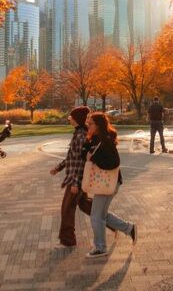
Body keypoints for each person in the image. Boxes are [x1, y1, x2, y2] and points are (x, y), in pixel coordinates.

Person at [83, 112, 137, 258]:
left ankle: (100, 248)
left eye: (91, 123)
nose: (88, 125)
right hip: (102, 183)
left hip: (109, 183)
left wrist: (94, 158)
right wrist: (87, 145)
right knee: (100, 214)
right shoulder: (94, 139)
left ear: (99, 125)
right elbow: (85, 156)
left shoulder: (105, 141)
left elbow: (114, 163)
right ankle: (129, 228)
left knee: (96, 215)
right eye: (88, 123)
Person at [49, 106, 96, 247]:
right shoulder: (79, 133)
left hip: (76, 180)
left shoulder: (81, 135)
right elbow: (72, 157)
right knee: (87, 206)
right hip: (76, 179)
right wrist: (58, 168)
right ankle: (119, 225)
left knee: (67, 209)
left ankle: (68, 241)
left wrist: (75, 182)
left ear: (77, 119)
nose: (69, 118)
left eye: (71, 116)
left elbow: (81, 162)